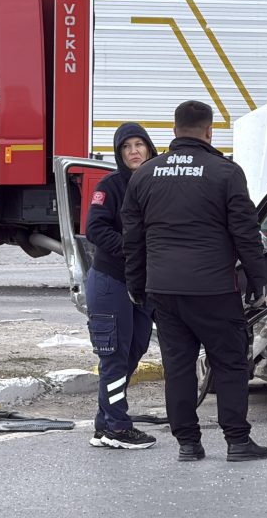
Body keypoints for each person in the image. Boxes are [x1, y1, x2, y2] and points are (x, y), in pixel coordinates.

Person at [122, 100, 267, 462]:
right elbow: (245, 232)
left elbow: (132, 238)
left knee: (179, 366)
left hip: (164, 289)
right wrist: (257, 278)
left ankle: (188, 443)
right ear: (209, 131)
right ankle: (237, 441)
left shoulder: (145, 174)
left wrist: (137, 285)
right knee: (230, 362)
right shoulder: (225, 172)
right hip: (214, 289)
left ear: (173, 131)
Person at [86, 123, 158, 449]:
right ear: (119, 153)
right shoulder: (110, 186)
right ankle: (117, 425)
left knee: (135, 349)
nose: (133, 151)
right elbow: (95, 230)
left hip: (143, 284)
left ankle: (104, 423)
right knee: (114, 356)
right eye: (126, 146)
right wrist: (133, 250)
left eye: (139, 144)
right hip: (111, 281)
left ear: (149, 148)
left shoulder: (158, 185)